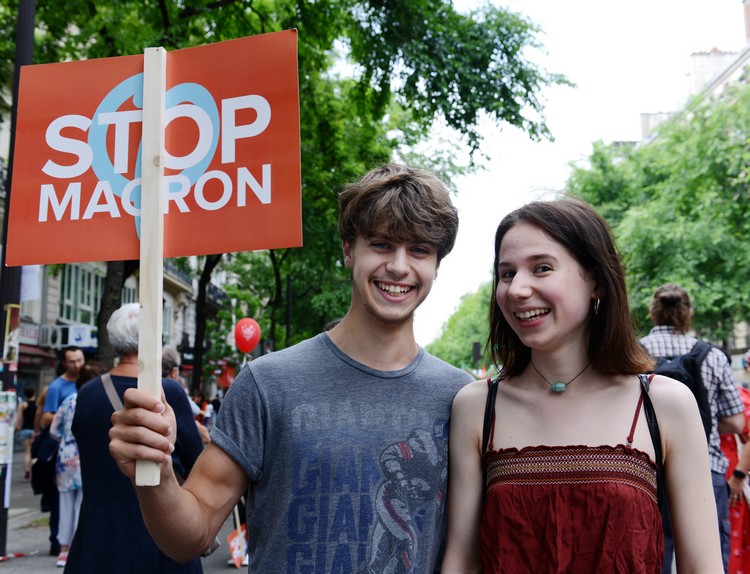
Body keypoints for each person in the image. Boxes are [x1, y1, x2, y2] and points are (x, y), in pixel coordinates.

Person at [108, 163, 474, 571]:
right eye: (382, 244)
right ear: (349, 250)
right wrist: (156, 474)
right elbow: (190, 536)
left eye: (419, 250)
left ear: (436, 265)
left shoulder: (462, 398)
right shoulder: (266, 384)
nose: (399, 266)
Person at [442, 196, 724, 573]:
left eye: (542, 268)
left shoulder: (665, 404)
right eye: (506, 274)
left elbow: (703, 566)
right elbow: (462, 559)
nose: (517, 289)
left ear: (597, 282)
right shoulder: (477, 406)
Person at [65, 303, 205, 573]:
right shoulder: (167, 393)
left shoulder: (87, 393)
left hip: (99, 532)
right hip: (159, 531)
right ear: (154, 338)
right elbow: (195, 462)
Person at [640, 283, 744, 573]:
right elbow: (737, 421)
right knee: (707, 558)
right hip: (706, 467)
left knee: (652, 555)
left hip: (648, 471)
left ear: (653, 312)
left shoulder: (634, 353)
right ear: (688, 314)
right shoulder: (712, 356)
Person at [49, 361, 105, 568]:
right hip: (88, 458)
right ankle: (76, 547)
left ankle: (63, 549)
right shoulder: (98, 400)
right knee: (83, 504)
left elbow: (53, 431)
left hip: (65, 459)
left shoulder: (69, 401)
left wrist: (65, 440)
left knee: (65, 504)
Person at [38, 346, 85, 556]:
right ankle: (60, 544)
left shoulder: (84, 383)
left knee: (72, 502)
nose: (77, 365)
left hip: (69, 456)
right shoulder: (57, 387)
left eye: (79, 360)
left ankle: (66, 547)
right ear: (64, 363)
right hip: (66, 455)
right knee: (64, 503)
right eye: (72, 361)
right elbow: (46, 418)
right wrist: (67, 413)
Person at [720, 384, 750, 573]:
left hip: (732, 485)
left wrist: (739, 475)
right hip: (723, 481)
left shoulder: (736, 395)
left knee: (733, 544)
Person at [15, 385, 36, 480]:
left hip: (25, 429)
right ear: (34, 393)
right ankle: (35, 471)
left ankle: (27, 472)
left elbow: (19, 417)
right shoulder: (37, 404)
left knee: (27, 452)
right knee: (34, 452)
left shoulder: (23, 405)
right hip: (34, 430)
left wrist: (17, 426)